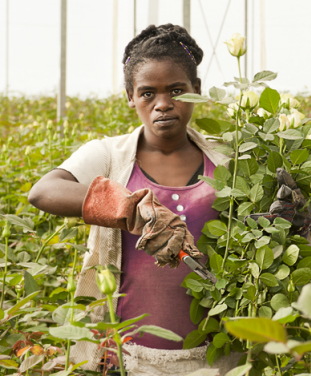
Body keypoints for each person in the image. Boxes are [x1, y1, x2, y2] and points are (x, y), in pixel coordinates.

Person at [28, 24, 237, 375]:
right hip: (128, 357)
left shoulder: (228, 161)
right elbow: (44, 191)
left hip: (219, 356)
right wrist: (128, 207)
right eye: (147, 94)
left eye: (176, 90)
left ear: (196, 90)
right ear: (130, 96)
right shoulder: (109, 155)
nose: (163, 104)